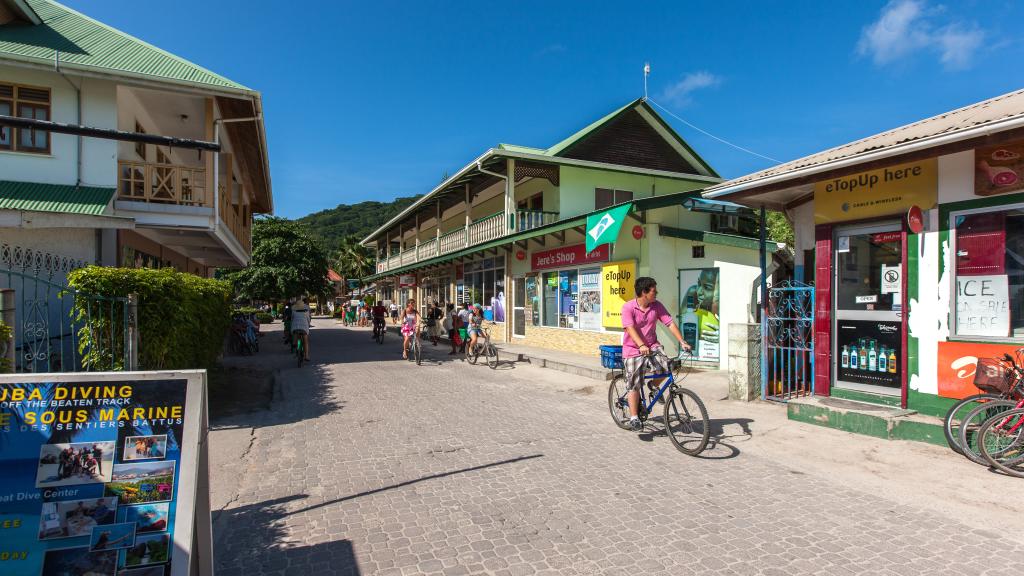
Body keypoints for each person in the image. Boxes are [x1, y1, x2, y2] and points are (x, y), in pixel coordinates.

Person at [621, 276, 691, 432]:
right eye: (654, 290)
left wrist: (682, 341)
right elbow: (630, 328)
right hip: (633, 349)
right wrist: (641, 345)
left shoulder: (656, 305)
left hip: (652, 346)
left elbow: (669, 323)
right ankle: (634, 417)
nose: (656, 293)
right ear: (644, 292)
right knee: (634, 383)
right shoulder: (628, 307)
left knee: (668, 366)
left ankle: (653, 385)